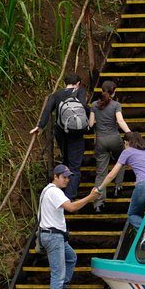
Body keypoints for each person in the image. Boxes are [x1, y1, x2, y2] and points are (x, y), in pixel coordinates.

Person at [39, 164, 100, 289]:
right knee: (58, 274)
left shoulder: (47, 190)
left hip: (52, 235)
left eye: (68, 177)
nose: (67, 180)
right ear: (55, 176)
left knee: (71, 257)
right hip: (53, 237)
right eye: (64, 177)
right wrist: (90, 198)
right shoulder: (54, 192)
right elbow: (71, 207)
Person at [31, 72, 89, 201]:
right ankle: (70, 198)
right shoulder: (80, 92)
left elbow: (47, 110)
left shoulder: (56, 94)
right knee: (75, 166)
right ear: (78, 84)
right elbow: (84, 107)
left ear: (65, 83)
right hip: (77, 134)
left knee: (66, 160)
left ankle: (62, 195)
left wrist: (39, 126)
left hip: (61, 133)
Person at [88, 80, 131, 212]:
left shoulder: (94, 105)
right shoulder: (116, 105)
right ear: (114, 92)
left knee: (101, 172)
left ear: (101, 91)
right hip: (114, 139)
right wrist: (130, 133)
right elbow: (120, 121)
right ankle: (118, 186)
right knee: (121, 159)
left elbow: (90, 124)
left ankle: (98, 203)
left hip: (100, 141)